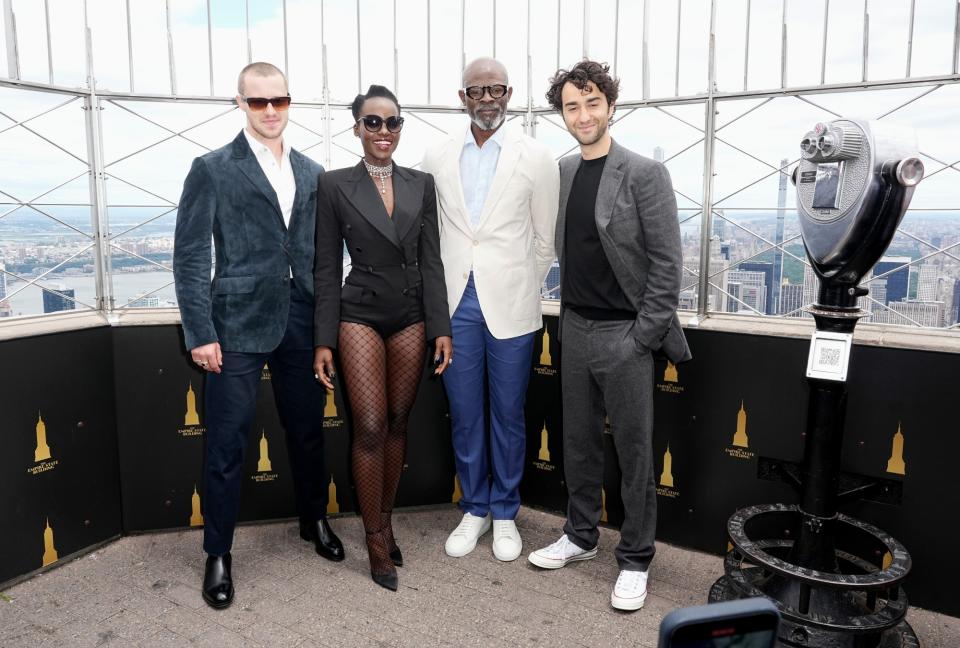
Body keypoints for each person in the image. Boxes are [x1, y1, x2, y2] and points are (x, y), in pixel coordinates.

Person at [173, 62, 344, 610]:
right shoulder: (212, 168)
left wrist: (324, 330)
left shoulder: (315, 171)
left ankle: (313, 520)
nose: (270, 110)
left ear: (290, 103)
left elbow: (322, 259)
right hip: (236, 323)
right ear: (240, 104)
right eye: (258, 102)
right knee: (226, 443)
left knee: (308, 432)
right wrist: (200, 331)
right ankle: (218, 553)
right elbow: (193, 255)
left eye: (280, 100)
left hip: (301, 319)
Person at [527, 60, 691, 611]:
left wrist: (643, 338)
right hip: (574, 329)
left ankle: (637, 558)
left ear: (610, 105)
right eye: (572, 106)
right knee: (577, 444)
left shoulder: (645, 173)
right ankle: (579, 536)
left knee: (637, 454)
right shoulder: (564, 172)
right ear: (563, 113)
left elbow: (668, 264)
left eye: (592, 102)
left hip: (626, 335)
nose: (583, 114)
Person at [313, 85, 453, 591]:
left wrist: (441, 326)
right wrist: (323, 339)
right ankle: (375, 537)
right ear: (356, 128)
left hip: (412, 312)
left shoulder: (423, 184)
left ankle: (386, 518)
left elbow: (432, 260)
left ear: (400, 127)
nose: (383, 131)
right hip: (360, 312)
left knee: (396, 421)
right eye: (372, 122)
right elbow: (326, 268)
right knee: (369, 425)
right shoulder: (333, 185)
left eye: (392, 122)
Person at [422, 58, 559, 562]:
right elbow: (430, 230)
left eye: (496, 89)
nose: (487, 98)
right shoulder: (435, 154)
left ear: (509, 94)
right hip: (455, 305)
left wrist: (518, 281)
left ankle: (505, 511)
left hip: (512, 304)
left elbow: (545, 239)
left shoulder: (537, 157)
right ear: (463, 97)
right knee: (464, 413)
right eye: (477, 90)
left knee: (507, 413)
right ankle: (474, 507)